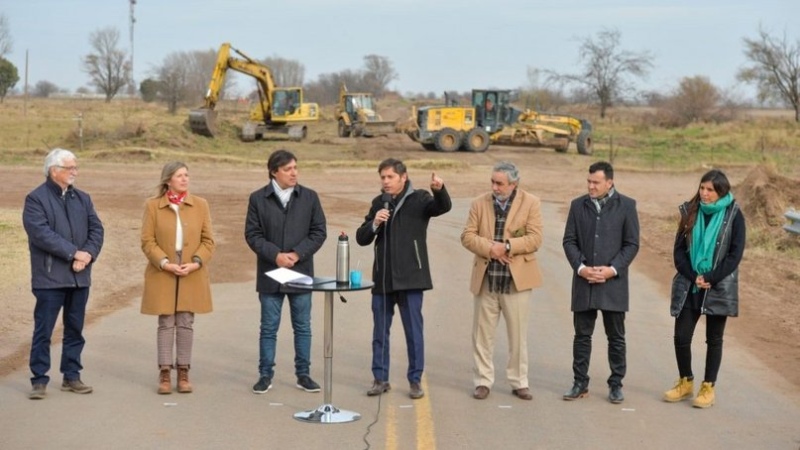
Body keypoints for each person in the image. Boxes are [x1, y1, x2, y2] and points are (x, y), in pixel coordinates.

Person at [356, 158, 452, 400]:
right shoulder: (379, 203)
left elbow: (442, 207)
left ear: (403, 177)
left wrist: (439, 190)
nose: (385, 182)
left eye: (390, 177)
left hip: (411, 278)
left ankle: (415, 380)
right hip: (384, 278)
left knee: (413, 332)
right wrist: (375, 223)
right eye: (382, 177)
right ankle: (380, 379)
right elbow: (361, 237)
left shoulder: (419, 199)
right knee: (380, 332)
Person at [23, 148, 105, 400]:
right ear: (54, 170)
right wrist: (74, 254)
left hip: (80, 277)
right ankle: (39, 379)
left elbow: (96, 229)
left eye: (75, 168)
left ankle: (72, 375)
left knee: (74, 329)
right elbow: (41, 234)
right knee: (44, 330)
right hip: (50, 278)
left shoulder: (83, 198)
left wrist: (88, 254)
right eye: (70, 168)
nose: (75, 172)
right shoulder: (35, 199)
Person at [245, 149, 327, 395]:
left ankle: (303, 375)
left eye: (296, 168)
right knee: (268, 327)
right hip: (271, 273)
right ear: (274, 172)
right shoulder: (258, 198)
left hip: (300, 272)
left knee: (302, 326)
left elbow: (319, 232)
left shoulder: (310, 197)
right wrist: (275, 255)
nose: (294, 173)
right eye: (288, 169)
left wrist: (297, 253)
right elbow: (252, 234)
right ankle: (265, 374)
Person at [461, 161, 544, 401]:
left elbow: (535, 238)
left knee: (518, 335)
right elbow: (467, 236)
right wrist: (491, 249)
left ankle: (519, 382)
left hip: (516, 281)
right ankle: (482, 381)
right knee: (481, 334)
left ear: (514, 184)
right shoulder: (479, 203)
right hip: (486, 279)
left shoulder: (531, 203)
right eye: (492, 182)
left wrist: (508, 246)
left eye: (500, 183)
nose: (495, 187)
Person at [663, 169, 745, 409]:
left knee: (714, 339)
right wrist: (694, 276)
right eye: (702, 188)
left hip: (718, 285)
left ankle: (708, 387)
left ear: (721, 192)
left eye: (710, 190)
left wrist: (710, 277)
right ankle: (685, 381)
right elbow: (678, 251)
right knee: (681, 337)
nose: (705, 193)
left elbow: (735, 254)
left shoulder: (735, 215)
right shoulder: (690, 211)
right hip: (690, 283)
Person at [562, 161, 639, 404]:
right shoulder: (577, 205)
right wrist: (582, 268)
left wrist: (612, 270)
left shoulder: (627, 206)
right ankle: (579, 382)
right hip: (584, 282)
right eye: (589, 181)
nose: (591, 186)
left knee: (616, 337)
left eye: (596, 182)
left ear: (609, 182)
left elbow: (632, 244)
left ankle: (616, 384)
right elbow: (569, 241)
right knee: (582, 336)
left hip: (613, 283)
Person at [140, 162, 215, 394]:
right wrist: (164, 263)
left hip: (192, 269)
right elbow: (147, 241)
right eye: (179, 176)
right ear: (168, 180)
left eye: (186, 175)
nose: (185, 179)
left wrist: (196, 262)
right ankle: (164, 372)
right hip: (163, 268)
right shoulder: (153, 206)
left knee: (185, 321)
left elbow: (208, 241)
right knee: (165, 322)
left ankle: (183, 371)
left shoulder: (201, 205)